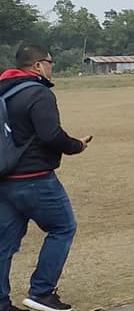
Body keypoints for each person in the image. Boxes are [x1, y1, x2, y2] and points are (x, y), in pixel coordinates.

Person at [0, 45, 89, 311]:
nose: (52, 67)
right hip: (35, 177)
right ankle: (42, 292)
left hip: (5, 179)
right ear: (38, 65)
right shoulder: (38, 93)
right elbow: (50, 134)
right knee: (63, 228)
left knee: (4, 243)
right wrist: (76, 145)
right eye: (50, 62)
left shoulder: (3, 90)